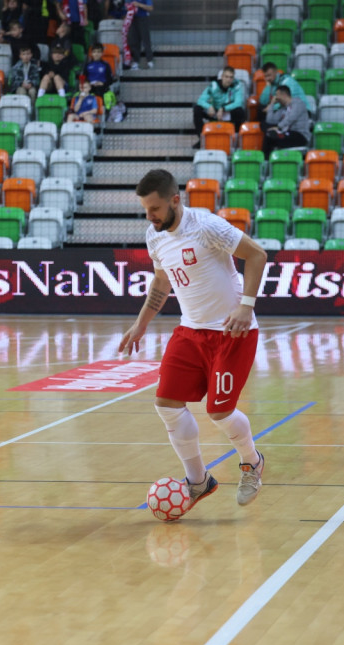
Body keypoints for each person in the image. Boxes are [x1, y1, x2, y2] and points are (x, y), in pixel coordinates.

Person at [119, 169, 269, 513]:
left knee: (219, 411)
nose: (149, 216)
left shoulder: (206, 226)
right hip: (190, 330)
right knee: (166, 404)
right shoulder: (154, 236)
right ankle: (199, 481)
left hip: (232, 330)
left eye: (154, 208)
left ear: (175, 200)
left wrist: (246, 307)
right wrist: (141, 324)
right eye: (145, 209)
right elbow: (161, 281)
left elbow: (257, 255)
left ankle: (252, 462)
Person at [192, 66, 247, 149]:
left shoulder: (236, 85)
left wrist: (223, 108)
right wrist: (209, 106)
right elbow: (200, 100)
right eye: (226, 76)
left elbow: (238, 103)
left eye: (231, 77)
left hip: (227, 112)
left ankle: (235, 140)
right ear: (222, 77)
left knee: (240, 112)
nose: (228, 79)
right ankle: (202, 139)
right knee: (197, 109)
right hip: (214, 112)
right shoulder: (213, 86)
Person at [261, 85, 311, 158]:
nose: (276, 98)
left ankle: (265, 162)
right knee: (265, 127)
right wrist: (271, 104)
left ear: (284, 95)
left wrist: (278, 127)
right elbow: (270, 120)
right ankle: (267, 162)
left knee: (270, 137)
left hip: (299, 136)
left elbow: (291, 118)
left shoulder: (298, 103)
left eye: (277, 95)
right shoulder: (283, 108)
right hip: (286, 133)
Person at [83, 42, 114, 107]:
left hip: (102, 87)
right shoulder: (87, 65)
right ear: (91, 53)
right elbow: (84, 79)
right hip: (90, 87)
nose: (96, 54)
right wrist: (88, 84)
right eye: (94, 52)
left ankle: (99, 111)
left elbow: (110, 80)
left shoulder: (105, 65)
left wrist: (102, 83)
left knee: (99, 91)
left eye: (98, 52)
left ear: (102, 53)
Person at [124, 0, 152, 69]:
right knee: (134, 41)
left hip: (143, 18)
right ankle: (135, 61)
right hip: (132, 18)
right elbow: (126, 6)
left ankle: (149, 60)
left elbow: (150, 8)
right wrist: (130, 7)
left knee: (146, 39)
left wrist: (139, 5)